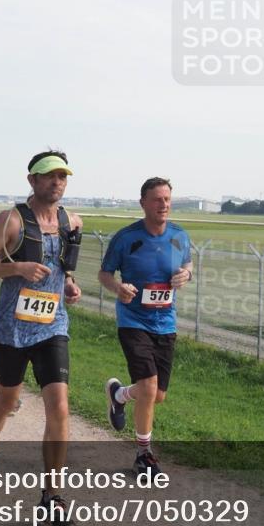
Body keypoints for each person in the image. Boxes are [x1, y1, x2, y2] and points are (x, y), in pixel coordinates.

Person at [0, 150, 83, 526]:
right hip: (12, 329)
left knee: (59, 407)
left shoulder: (72, 222)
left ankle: (53, 495)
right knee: (7, 400)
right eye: (49, 176)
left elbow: (63, 268)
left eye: (62, 176)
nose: (57, 183)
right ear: (32, 180)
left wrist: (68, 284)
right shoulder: (11, 220)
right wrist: (17, 267)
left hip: (53, 327)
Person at [99, 177, 192, 479]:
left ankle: (119, 396)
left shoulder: (180, 236)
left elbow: (188, 265)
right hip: (133, 320)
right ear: (143, 203)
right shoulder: (126, 238)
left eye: (167, 199)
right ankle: (144, 455)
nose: (163, 205)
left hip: (165, 322)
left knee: (157, 395)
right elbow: (104, 274)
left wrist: (186, 276)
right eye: (157, 199)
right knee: (150, 388)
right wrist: (117, 287)